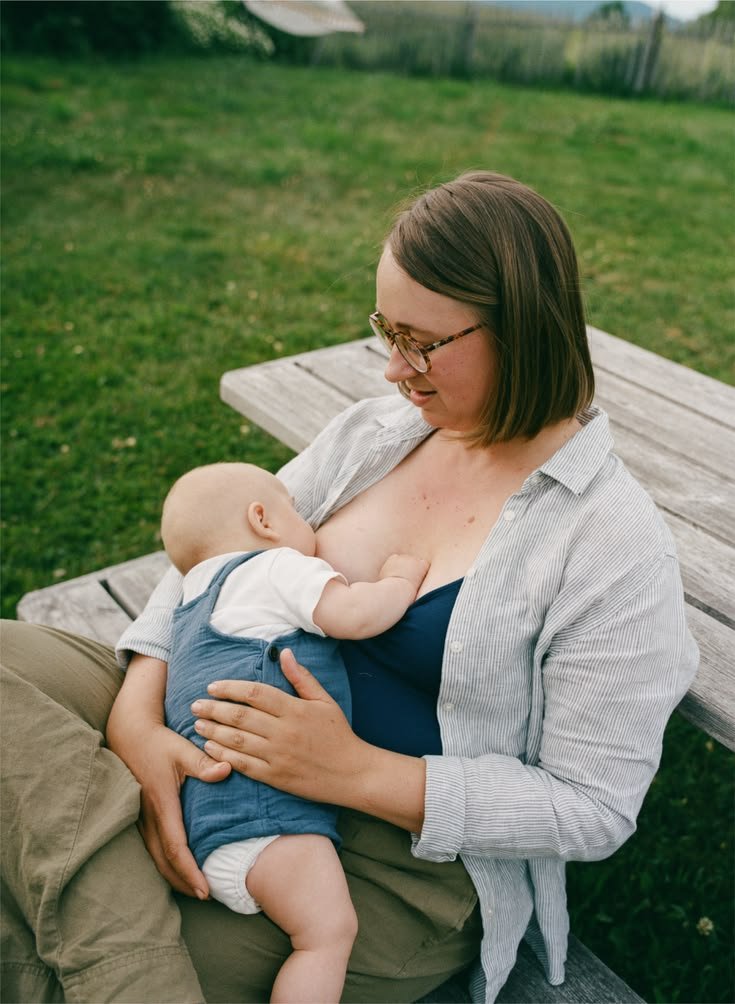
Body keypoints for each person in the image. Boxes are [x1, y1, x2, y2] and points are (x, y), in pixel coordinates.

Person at [0, 170, 698, 1004]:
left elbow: (591, 807)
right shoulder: (375, 435)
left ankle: (119, 954)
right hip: (200, 714)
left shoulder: (611, 547)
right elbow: (219, 555)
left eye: (420, 341)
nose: (393, 370)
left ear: (524, 328)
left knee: (28, 942)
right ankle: (118, 919)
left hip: (369, 864)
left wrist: (351, 770)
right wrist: (138, 725)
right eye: (384, 331)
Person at [159, 460, 428, 1003]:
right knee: (326, 936)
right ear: (262, 518)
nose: (308, 524)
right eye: (297, 511)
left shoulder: (190, 605)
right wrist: (398, 580)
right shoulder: (276, 567)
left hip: (206, 830)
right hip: (270, 819)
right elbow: (352, 615)